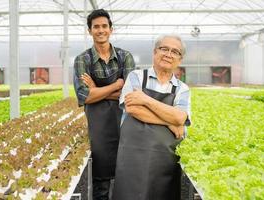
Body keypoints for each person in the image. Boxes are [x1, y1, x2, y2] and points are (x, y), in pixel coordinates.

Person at [113, 35, 191, 200]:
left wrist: (146, 99)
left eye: (175, 51)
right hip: (132, 159)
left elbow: (179, 118)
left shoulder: (182, 89)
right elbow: (133, 108)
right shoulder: (136, 76)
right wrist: (169, 121)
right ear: (155, 52)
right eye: (164, 49)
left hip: (164, 163)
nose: (169, 54)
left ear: (180, 59)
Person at [73, 9, 135, 200]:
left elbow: (131, 94)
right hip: (98, 124)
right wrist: (117, 85)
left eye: (104, 26)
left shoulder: (125, 57)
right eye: (96, 27)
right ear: (89, 31)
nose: (100, 30)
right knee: (101, 175)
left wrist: (97, 90)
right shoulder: (82, 59)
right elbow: (84, 96)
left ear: (111, 29)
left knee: (126, 171)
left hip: (125, 119)